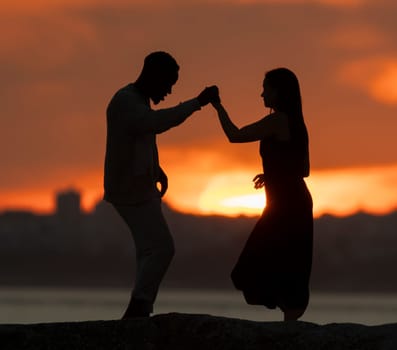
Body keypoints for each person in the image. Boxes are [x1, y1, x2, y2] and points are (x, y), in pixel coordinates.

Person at [103, 51, 218, 319]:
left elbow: (138, 138)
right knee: (163, 248)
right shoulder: (126, 101)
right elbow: (155, 124)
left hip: (138, 189)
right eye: (168, 84)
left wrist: (157, 169)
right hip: (130, 191)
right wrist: (198, 102)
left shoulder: (136, 100)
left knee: (148, 250)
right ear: (154, 76)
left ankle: (140, 307)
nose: (168, 91)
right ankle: (139, 306)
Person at [212, 68, 313, 321]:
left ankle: (289, 322)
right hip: (293, 200)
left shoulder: (277, 120)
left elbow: (235, 135)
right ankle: (289, 322)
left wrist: (217, 106)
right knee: (285, 261)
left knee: (259, 264)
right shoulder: (297, 122)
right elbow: (304, 169)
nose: (261, 94)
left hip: (285, 205)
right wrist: (273, 174)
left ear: (278, 91)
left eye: (265, 88)